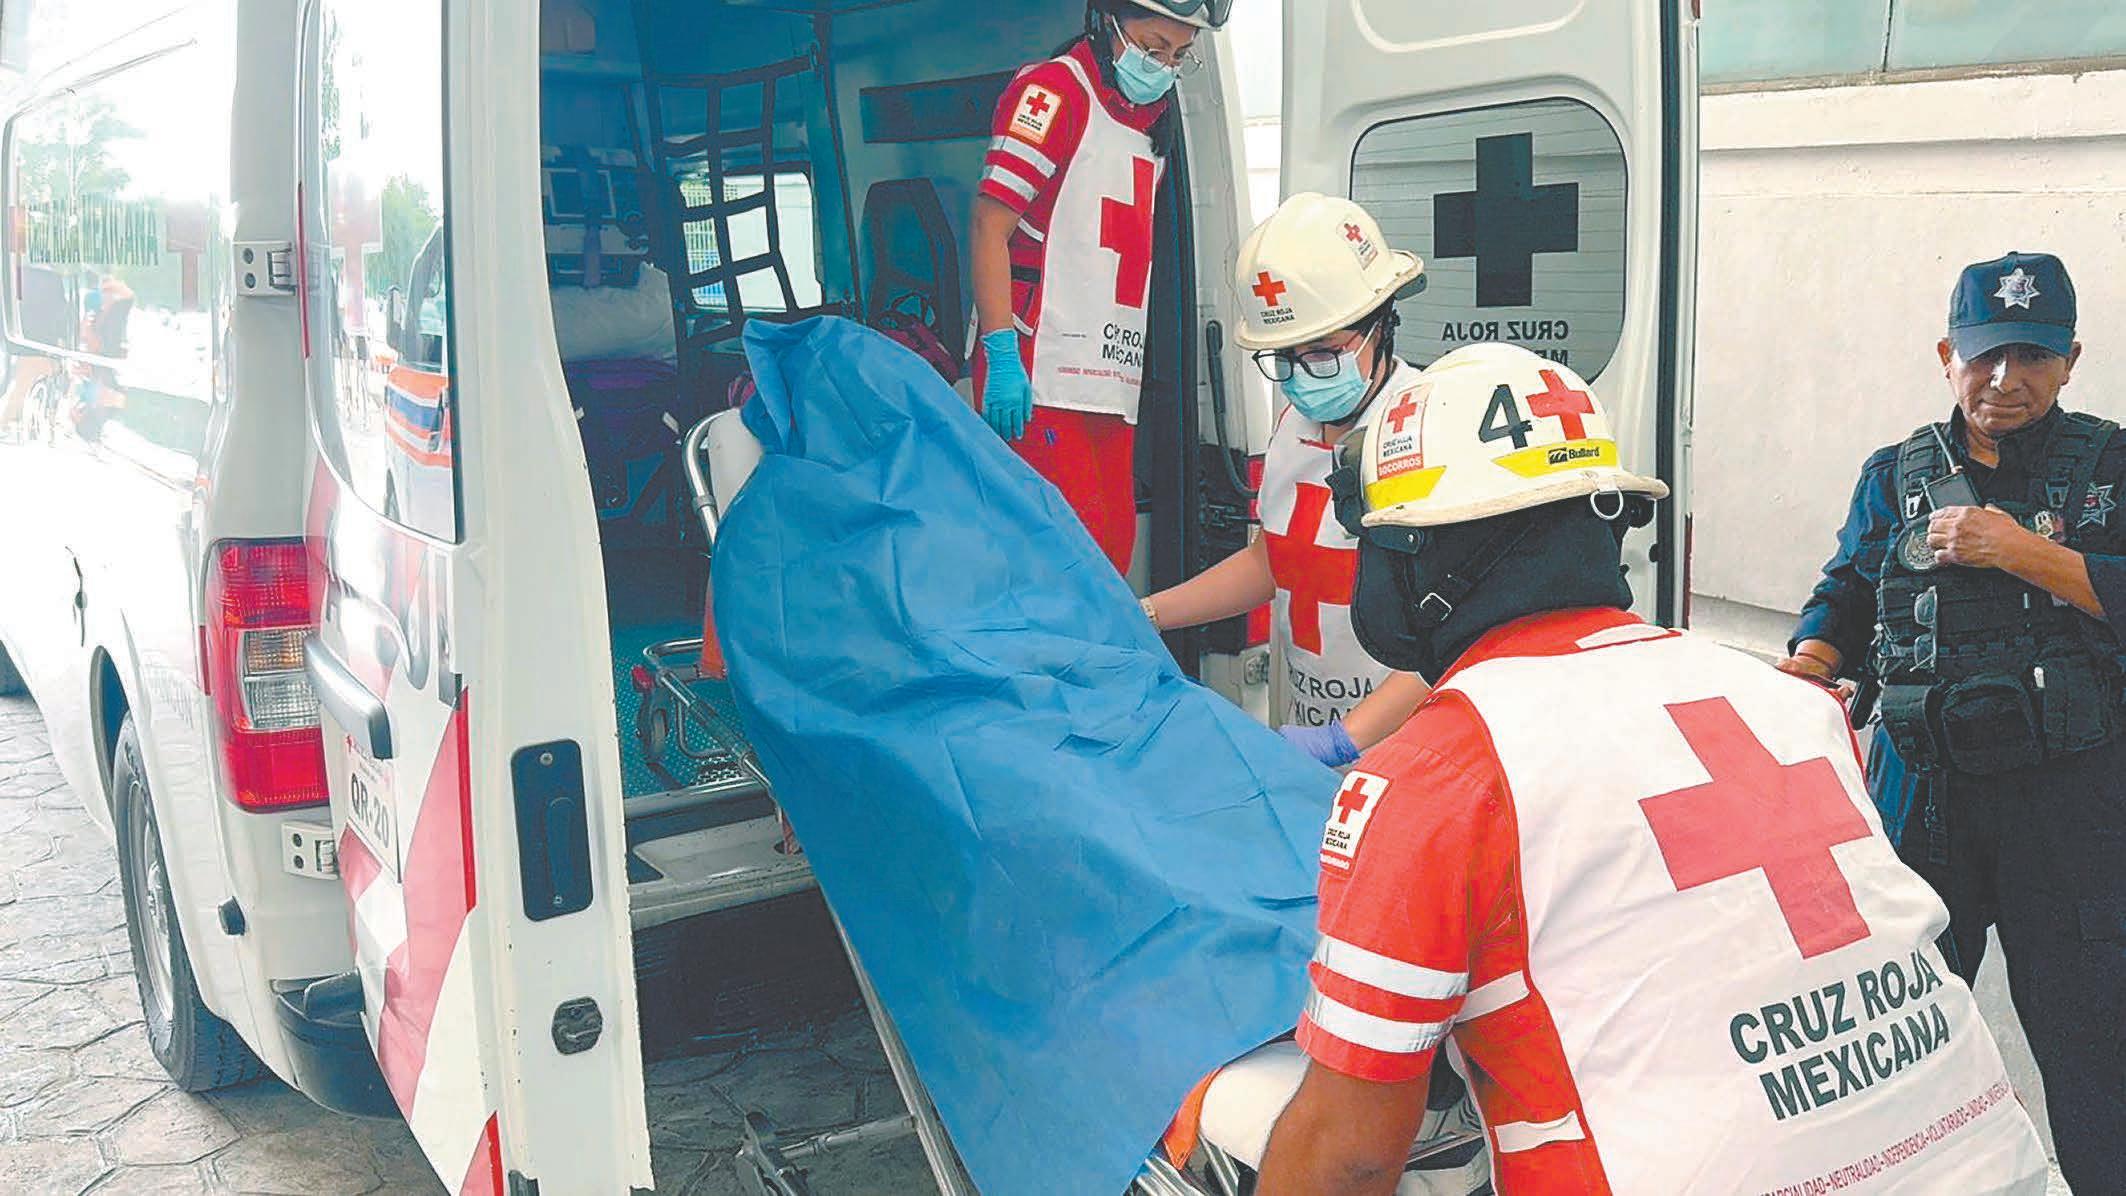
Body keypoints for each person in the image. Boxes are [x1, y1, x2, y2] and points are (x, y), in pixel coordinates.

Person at [1254, 342, 2049, 1194]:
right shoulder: (1785, 704)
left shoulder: (1441, 775)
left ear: (1416, 561)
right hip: (1996, 1166)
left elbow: (1349, 1155)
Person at [1774, 250, 2126, 1192]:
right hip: (1926, 798)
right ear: (1947, 356)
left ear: (2070, 361)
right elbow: (1847, 591)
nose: (2005, 379)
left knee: (2096, 1056)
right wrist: (1812, 662)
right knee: (1899, 1044)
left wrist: (2021, 552)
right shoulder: (1896, 473)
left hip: (2072, 806)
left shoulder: (2112, 465)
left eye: (2032, 356)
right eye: (1984, 356)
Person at [1141, 193, 1430, 766]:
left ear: (1380, 324)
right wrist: (1149, 613)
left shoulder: (1428, 427)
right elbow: (1274, 562)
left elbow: (1458, 629)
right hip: (1309, 731)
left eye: (1322, 354)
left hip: (1401, 753)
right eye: (1284, 358)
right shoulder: (1293, 426)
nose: (1302, 378)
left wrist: (1345, 738)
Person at [968, 0, 1230, 572]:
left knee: (1112, 551)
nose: (1164, 66)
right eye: (1153, 47)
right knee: (1063, 563)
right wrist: (1001, 354)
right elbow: (990, 226)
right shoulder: (1053, 92)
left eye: (1179, 55)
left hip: (1109, 376)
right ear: (1107, 21)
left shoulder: (1149, 118)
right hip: (1038, 371)